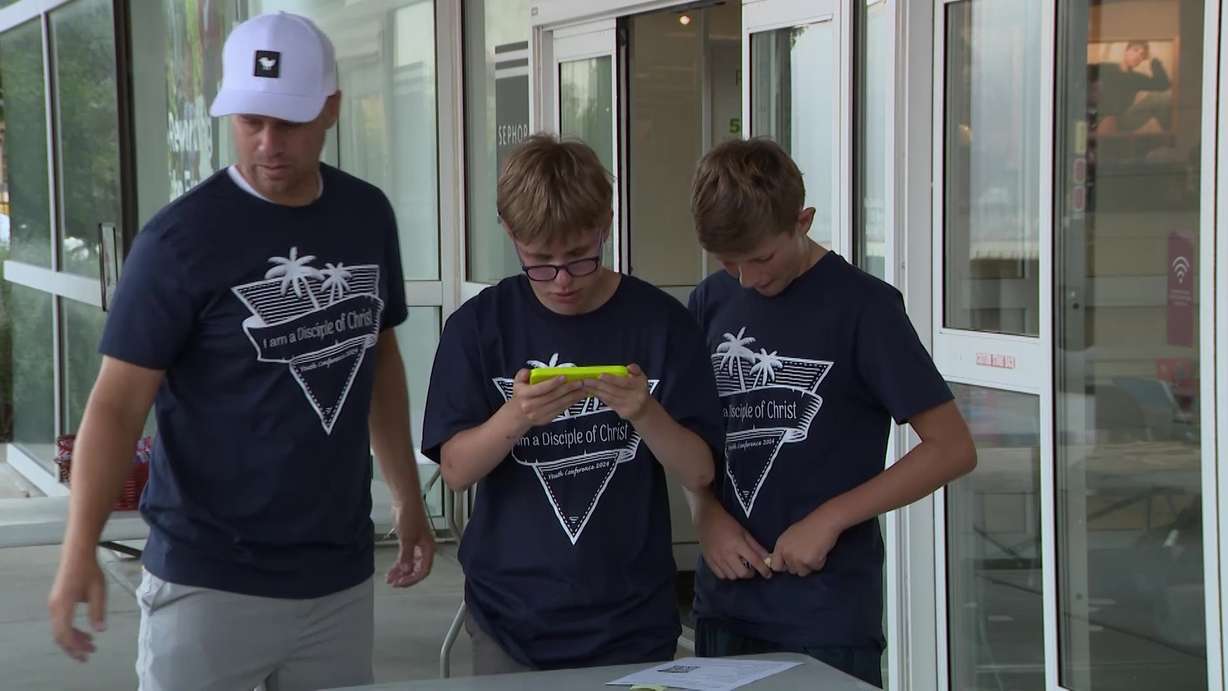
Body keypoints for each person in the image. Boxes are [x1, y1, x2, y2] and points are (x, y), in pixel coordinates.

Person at [46, 12, 435, 690]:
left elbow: (378, 362)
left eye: (288, 121)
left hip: (336, 577)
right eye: (250, 120)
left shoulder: (367, 217)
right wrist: (78, 548)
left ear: (331, 110)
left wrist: (407, 494)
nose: (267, 142)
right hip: (207, 581)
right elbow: (114, 406)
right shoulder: (178, 240)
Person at [421, 133, 723, 673]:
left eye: (581, 258)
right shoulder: (479, 327)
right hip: (509, 618)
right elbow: (457, 470)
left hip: (632, 619)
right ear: (510, 234)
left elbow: (699, 472)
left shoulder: (659, 323)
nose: (561, 281)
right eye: (540, 262)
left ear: (606, 223)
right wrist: (517, 415)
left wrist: (645, 412)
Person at [684, 137, 977, 687]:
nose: (747, 279)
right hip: (724, 603)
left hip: (827, 611)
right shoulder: (710, 301)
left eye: (762, 258)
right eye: (728, 263)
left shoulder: (865, 308)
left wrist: (829, 519)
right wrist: (705, 517)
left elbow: (952, 449)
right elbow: (692, 440)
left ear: (803, 220)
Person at [1090, 40, 1171, 134]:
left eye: (1142, 55)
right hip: (1099, 117)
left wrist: (1153, 59)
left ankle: (1170, 137)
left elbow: (1163, 85)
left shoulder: (1137, 78)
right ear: (1126, 50)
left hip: (1123, 119)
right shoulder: (1105, 67)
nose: (1138, 56)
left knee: (1160, 98)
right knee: (1106, 120)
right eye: (1135, 50)